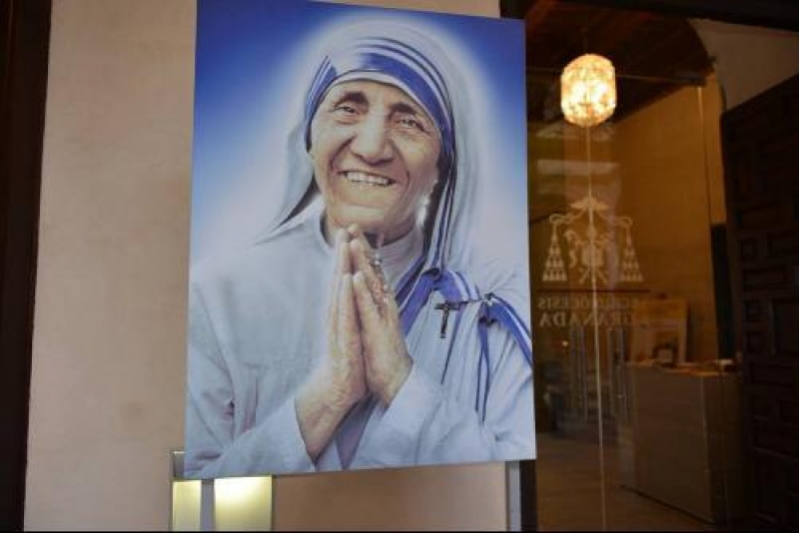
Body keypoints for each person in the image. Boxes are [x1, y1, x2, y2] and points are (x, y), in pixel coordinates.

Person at [184, 20, 533, 479]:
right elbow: (199, 489)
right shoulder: (220, 293)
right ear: (310, 139)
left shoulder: (489, 312)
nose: (371, 148)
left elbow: (510, 483)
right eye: (348, 108)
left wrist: (401, 381)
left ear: (443, 166)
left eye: (410, 121)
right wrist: (329, 396)